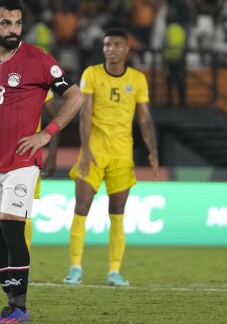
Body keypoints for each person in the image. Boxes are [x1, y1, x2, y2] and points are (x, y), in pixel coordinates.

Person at [0, 0, 83, 324]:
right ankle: (11, 301)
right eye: (6, 22)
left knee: (13, 227)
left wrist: (46, 133)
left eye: (18, 22)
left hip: (22, 161)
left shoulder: (39, 60)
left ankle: (20, 306)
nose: (14, 29)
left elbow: (75, 97)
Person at [62, 27, 159, 287]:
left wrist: (152, 149)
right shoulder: (91, 74)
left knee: (117, 212)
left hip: (121, 155)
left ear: (127, 50)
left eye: (117, 45)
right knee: (81, 208)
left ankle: (114, 271)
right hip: (93, 153)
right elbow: (86, 114)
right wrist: (86, 149)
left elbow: (145, 118)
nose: (111, 49)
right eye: (107, 45)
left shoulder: (138, 79)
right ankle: (75, 268)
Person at [0, 91, 59, 283]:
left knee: (21, 216)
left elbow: (54, 117)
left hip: (25, 158)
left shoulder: (40, 80)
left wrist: (52, 152)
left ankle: (17, 265)